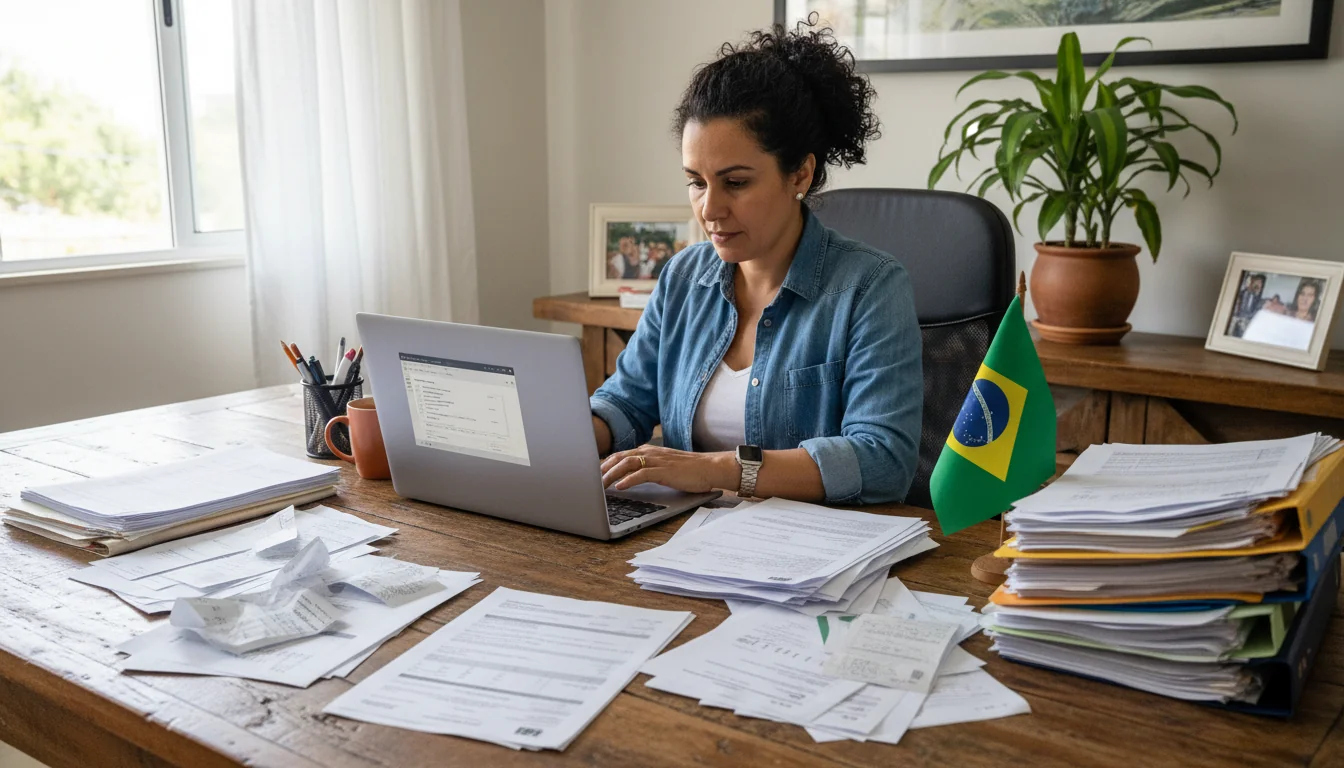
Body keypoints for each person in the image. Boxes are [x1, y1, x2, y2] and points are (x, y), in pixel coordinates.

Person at [588, 17, 921, 505]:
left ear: (800, 174)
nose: (709, 209)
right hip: (684, 539)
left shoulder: (870, 287)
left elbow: (883, 459)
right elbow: (626, 401)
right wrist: (563, 437)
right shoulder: (684, 276)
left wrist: (717, 470)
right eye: (696, 181)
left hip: (811, 554)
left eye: (736, 182)